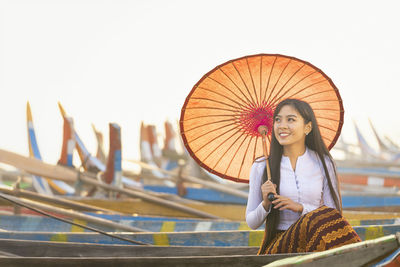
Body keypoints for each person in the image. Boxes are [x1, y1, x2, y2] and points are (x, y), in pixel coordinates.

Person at [246, 98, 361, 255]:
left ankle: (358, 256)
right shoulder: (261, 166)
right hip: (280, 246)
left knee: (319, 217)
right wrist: (266, 203)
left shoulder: (324, 162)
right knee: (313, 219)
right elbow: (251, 222)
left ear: (308, 127)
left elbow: (333, 214)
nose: (282, 125)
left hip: (319, 240)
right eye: (278, 120)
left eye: (291, 119)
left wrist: (301, 208)